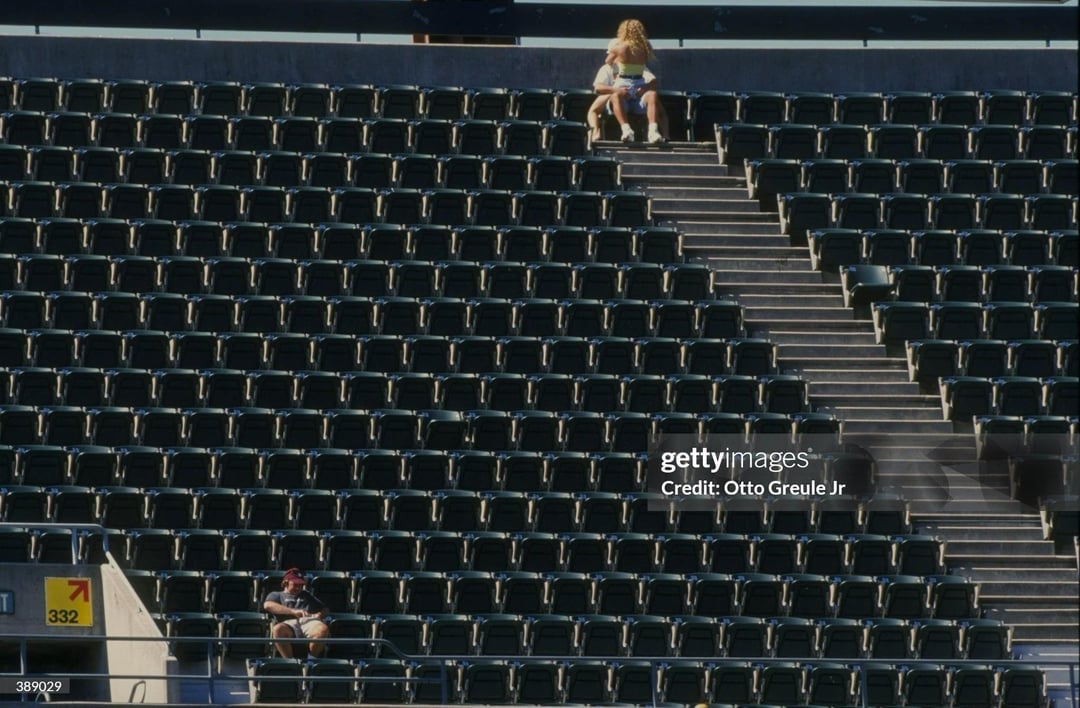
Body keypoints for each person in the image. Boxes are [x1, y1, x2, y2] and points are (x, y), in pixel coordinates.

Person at [604, 19, 663, 144]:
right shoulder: (646, 47)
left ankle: (628, 129)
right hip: (639, 83)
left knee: (616, 96)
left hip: (623, 81)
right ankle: (650, 130)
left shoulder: (618, 47)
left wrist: (617, 65)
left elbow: (608, 62)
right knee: (651, 95)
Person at [589, 61, 669, 144]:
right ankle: (626, 130)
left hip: (637, 100)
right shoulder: (607, 68)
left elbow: (654, 82)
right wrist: (617, 90)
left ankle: (654, 132)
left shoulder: (638, 66)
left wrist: (644, 89)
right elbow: (598, 88)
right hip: (617, 101)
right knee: (615, 96)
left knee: (652, 95)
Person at [262, 568, 330, 660]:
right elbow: (268, 605)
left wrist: (319, 614)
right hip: (288, 623)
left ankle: (311, 660)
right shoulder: (277, 594)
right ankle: (290, 662)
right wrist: (293, 611)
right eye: (295, 584)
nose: (299, 588)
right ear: (286, 582)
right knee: (278, 629)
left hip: (308, 621)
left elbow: (325, 609)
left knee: (322, 629)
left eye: (301, 585)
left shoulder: (306, 595)